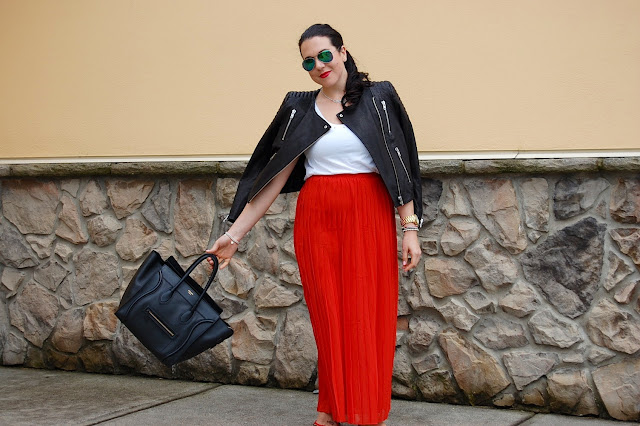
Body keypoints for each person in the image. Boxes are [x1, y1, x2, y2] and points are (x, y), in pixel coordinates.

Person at [207, 23, 422, 426]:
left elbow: (399, 163)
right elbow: (272, 178)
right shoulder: (299, 108)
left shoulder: (377, 99)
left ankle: (361, 412)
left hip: (367, 214)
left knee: (365, 315)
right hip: (317, 218)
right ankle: (330, 407)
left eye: (325, 54)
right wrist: (234, 234)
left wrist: (409, 227)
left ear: (342, 52)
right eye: (309, 60)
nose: (319, 65)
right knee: (328, 316)